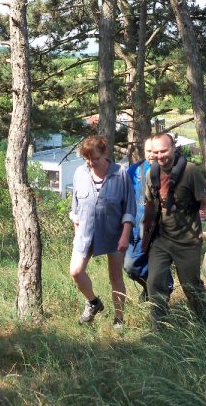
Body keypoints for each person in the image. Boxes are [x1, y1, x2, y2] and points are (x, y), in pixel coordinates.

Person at [145, 132, 206, 329]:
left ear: (173, 148)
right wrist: (144, 236)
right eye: (156, 152)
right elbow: (150, 205)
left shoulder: (190, 171)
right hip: (161, 239)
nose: (160, 156)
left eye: (164, 151)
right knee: (154, 282)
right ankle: (159, 327)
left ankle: (205, 323)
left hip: (188, 241)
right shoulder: (152, 173)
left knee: (191, 286)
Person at [69, 135, 135, 328]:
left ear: (105, 153)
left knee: (115, 277)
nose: (91, 163)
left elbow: (129, 209)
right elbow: (76, 209)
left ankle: (119, 319)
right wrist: (77, 234)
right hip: (86, 232)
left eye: (95, 158)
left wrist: (125, 235)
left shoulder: (120, 173)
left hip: (114, 234)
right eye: (87, 159)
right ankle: (93, 303)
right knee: (76, 271)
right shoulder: (80, 173)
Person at [125, 138, 173, 302]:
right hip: (138, 229)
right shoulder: (134, 170)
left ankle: (162, 292)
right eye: (148, 151)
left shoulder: (170, 171)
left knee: (159, 262)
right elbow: (125, 197)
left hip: (162, 229)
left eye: (155, 151)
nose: (152, 155)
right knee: (131, 266)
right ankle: (151, 286)